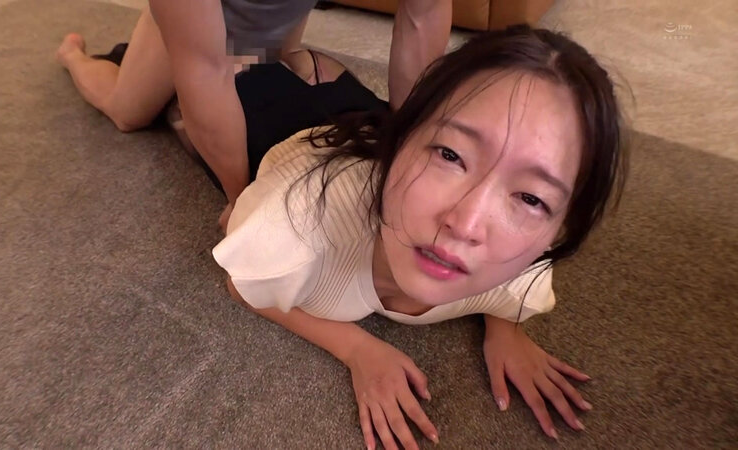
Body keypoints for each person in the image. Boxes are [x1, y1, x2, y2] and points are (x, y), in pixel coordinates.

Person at [212, 25, 629, 450]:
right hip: (291, 140)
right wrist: (357, 349)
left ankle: (314, 68)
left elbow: (516, 287)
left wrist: (507, 329)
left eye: (530, 198)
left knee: (331, 88)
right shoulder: (296, 223)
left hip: (370, 127)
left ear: (559, 231)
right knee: (227, 66)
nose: (465, 225)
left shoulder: (524, 263)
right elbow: (241, 285)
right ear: (403, 137)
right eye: (451, 155)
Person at [56, 0, 453, 228]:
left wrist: (411, 138)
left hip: (276, 10)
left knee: (264, 63)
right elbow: (204, 70)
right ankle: (73, 56)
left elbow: (423, 15)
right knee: (129, 113)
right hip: (192, 22)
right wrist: (240, 198)